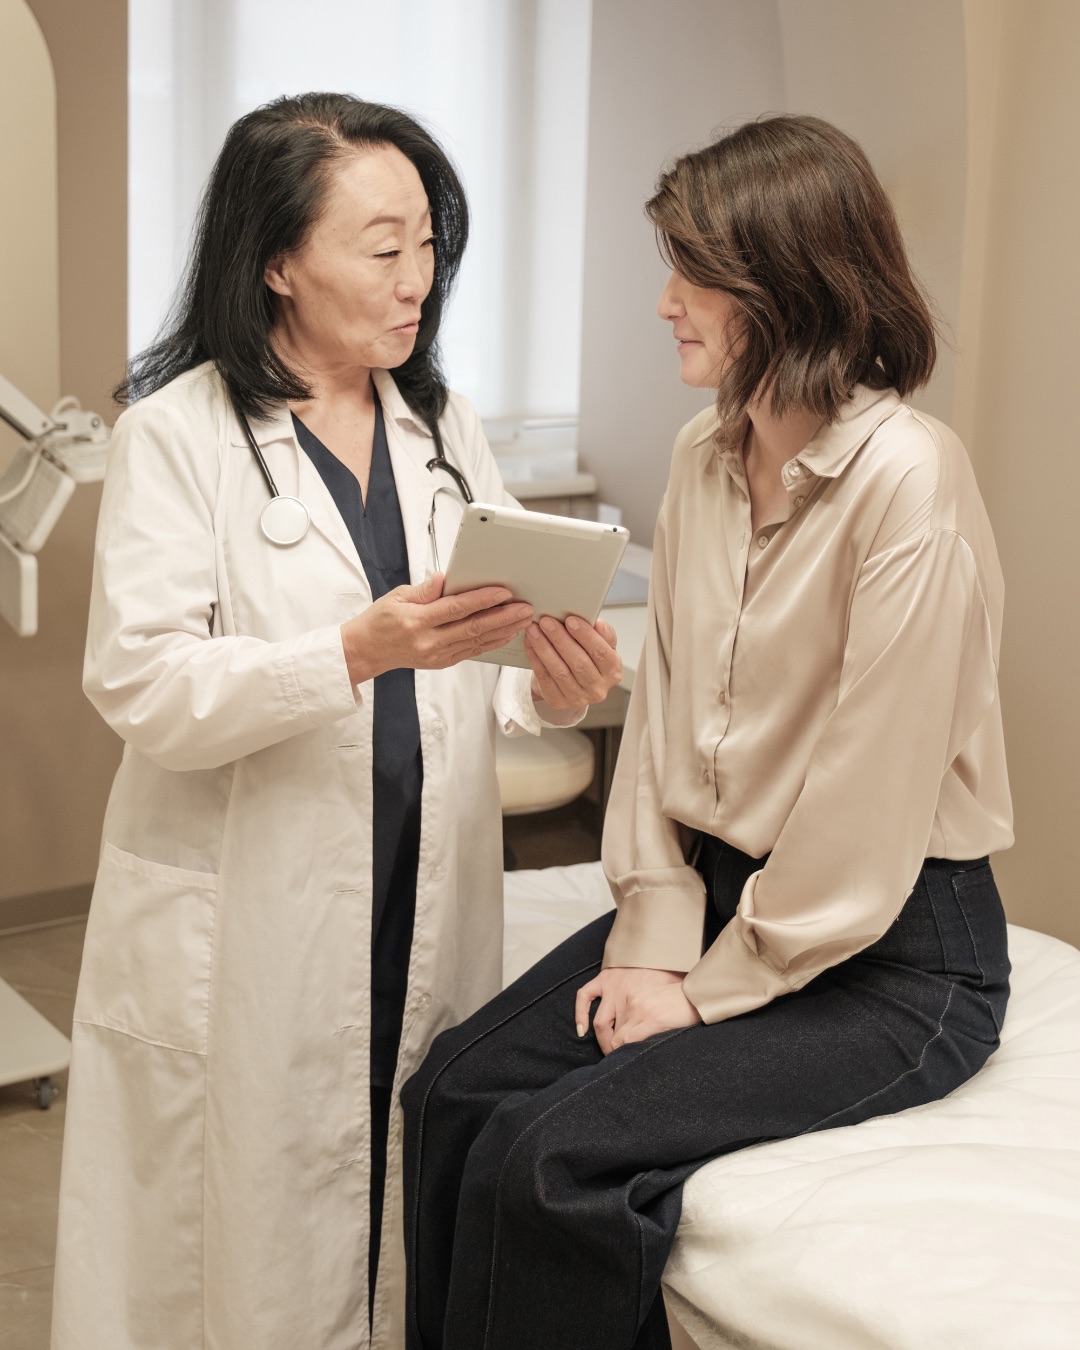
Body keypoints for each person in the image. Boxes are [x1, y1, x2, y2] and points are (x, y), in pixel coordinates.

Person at [401, 114, 1014, 1350]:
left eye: (695, 273)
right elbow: (669, 709)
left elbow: (868, 797)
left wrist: (714, 986)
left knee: (553, 1157)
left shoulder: (911, 477)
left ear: (787, 284)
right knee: (453, 1093)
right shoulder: (704, 455)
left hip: (896, 952)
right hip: (724, 893)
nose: (667, 301)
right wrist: (650, 930)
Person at [51, 93, 620, 1350]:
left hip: (421, 880)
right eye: (382, 246)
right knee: (250, 1226)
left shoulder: (441, 430)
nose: (417, 279)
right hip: (259, 908)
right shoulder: (178, 437)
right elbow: (143, 684)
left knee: (393, 1166)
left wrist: (550, 677)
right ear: (276, 260)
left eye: (428, 243)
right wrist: (351, 651)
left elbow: (485, 641)